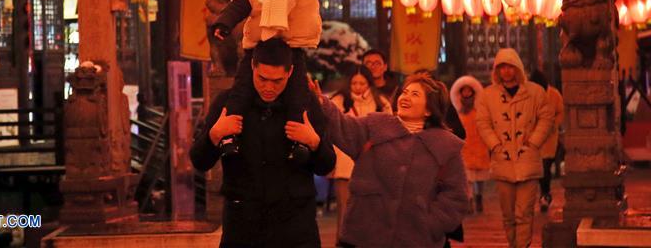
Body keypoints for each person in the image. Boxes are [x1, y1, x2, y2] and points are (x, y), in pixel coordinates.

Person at [190, 38, 336, 248]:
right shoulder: (228, 103)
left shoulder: (304, 104)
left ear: (290, 72)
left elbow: (327, 165)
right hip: (243, 225)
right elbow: (199, 160)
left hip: (295, 225)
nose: (269, 87)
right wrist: (214, 135)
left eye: (277, 81)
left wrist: (314, 142)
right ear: (252, 67)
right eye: (262, 78)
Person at [210, 0, 334, 161]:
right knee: (240, 91)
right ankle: (229, 137)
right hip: (257, 52)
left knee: (298, 96)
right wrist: (223, 24)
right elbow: (238, 7)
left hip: (293, 50)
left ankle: (299, 143)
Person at [311, 73, 469, 247]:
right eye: (405, 92)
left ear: (429, 109)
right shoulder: (376, 126)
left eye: (414, 94)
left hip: (417, 240)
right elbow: (343, 126)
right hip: (366, 235)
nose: (405, 97)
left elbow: (456, 196)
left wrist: (430, 224)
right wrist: (322, 104)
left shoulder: (446, 146)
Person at [476, 48, 554, 248]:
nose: (506, 71)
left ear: (518, 68)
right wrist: (495, 145)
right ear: (497, 70)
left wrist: (534, 142)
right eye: (502, 67)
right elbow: (483, 123)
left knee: (524, 213)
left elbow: (546, 118)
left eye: (510, 66)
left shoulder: (535, 92)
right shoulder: (487, 95)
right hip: (503, 161)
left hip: (528, 160)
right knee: (508, 215)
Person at [328, 65, 392, 240]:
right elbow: (330, 131)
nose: (357, 86)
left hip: (373, 164)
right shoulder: (338, 101)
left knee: (371, 210)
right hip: (344, 164)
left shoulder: (381, 102)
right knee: (345, 209)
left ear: (369, 83)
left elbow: (390, 130)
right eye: (354, 83)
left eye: (362, 83)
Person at [450, 76, 490, 214]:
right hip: (465, 149)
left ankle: (479, 198)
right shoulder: (458, 112)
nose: (466, 93)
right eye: (464, 91)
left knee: (480, 178)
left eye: (469, 91)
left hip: (480, 147)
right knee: (468, 179)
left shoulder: (480, 111)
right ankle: (470, 201)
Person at [529, 70, 565, 212]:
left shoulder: (554, 95)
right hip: (533, 137)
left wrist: (554, 124)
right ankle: (543, 194)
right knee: (537, 169)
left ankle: (545, 194)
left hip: (549, 138)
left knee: (545, 167)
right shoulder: (528, 95)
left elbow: (561, 112)